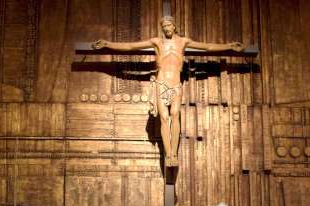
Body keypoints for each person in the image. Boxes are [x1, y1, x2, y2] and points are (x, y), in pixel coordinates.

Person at [93, 16, 243, 166]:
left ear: (174, 26)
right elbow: (131, 47)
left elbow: (207, 47)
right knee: (164, 118)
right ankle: (168, 154)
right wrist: (108, 43)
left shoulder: (183, 42)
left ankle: (174, 154)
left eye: (169, 25)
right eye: (164, 26)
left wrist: (229, 46)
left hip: (176, 84)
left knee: (175, 114)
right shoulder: (156, 42)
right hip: (161, 83)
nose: (166, 28)